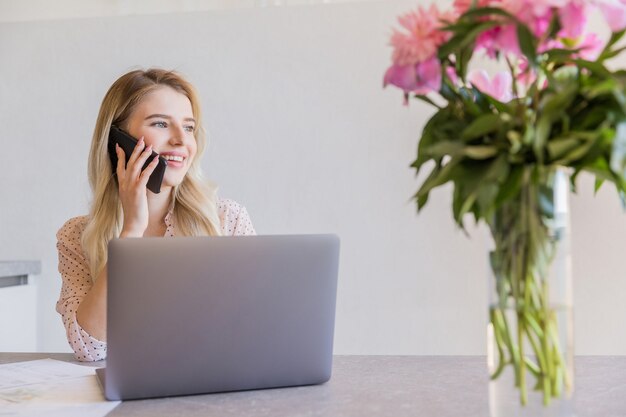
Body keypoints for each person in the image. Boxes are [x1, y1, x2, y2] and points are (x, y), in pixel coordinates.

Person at [56, 68, 255, 361]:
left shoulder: (227, 219)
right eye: (161, 123)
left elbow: (253, 332)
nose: (180, 140)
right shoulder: (77, 237)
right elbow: (88, 349)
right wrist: (131, 232)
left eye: (188, 127)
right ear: (117, 140)